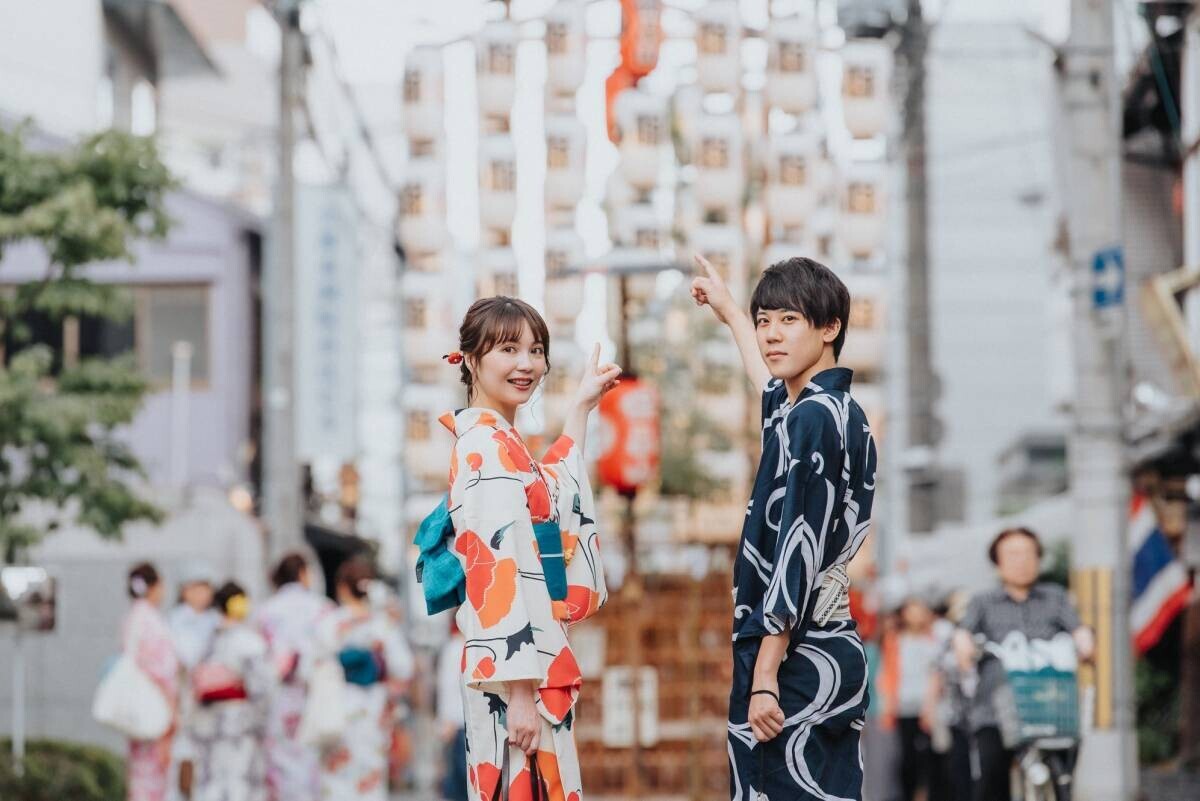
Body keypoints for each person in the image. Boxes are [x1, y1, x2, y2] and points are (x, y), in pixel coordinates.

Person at [692, 254, 878, 800]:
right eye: (764, 320)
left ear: (830, 327)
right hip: (830, 646)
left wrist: (766, 675)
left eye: (788, 320)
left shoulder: (813, 418)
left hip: (795, 654)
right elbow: (768, 387)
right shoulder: (836, 410)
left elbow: (799, 548)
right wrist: (730, 311)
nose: (771, 334)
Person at [441, 296, 616, 800]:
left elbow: (557, 491)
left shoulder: (501, 441)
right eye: (508, 349)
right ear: (470, 359)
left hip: (525, 669)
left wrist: (581, 405)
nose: (526, 364)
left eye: (536, 350)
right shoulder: (484, 446)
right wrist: (520, 690)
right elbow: (498, 563)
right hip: (518, 676)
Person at [953, 527, 1095, 801]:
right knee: (991, 781)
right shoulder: (982, 602)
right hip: (996, 709)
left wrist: (1085, 641)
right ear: (998, 562)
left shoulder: (1056, 597)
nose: (1022, 561)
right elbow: (963, 633)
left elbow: (1078, 629)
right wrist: (964, 647)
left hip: (1049, 705)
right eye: (1013, 554)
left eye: (1029, 553)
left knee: (1063, 774)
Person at [315, 558, 414, 801]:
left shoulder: (331, 623)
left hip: (337, 705)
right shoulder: (382, 625)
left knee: (336, 776)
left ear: (342, 587)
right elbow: (404, 667)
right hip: (373, 707)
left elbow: (314, 664)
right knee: (370, 777)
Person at [254, 552, 333, 801]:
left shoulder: (266, 611)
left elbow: (259, 657)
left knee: (279, 760)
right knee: (312, 757)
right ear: (302, 573)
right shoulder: (322, 608)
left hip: (277, 694)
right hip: (314, 693)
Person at [187, 581, 275, 801]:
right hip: (239, 725)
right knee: (238, 783)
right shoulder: (248, 642)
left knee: (209, 782)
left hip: (206, 723)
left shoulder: (203, 639)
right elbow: (262, 687)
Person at [123, 562, 181, 801]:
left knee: (139, 771)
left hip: (137, 703)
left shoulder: (133, 618)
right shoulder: (151, 621)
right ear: (154, 587)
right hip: (155, 704)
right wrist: (172, 709)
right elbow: (162, 671)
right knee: (154, 773)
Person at [166, 562, 220, 801]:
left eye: (206, 588)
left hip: (212, 700)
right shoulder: (175, 621)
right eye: (197, 587)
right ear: (184, 591)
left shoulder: (216, 620)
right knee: (183, 755)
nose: (203, 594)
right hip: (184, 698)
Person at [893, 596, 943, 801]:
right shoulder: (895, 640)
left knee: (929, 757)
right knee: (906, 758)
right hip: (902, 708)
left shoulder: (932, 640)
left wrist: (930, 707)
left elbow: (936, 675)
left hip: (927, 708)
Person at [436, 619, 468, 801]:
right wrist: (446, 720)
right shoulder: (456, 647)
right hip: (458, 723)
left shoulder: (455, 646)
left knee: (460, 782)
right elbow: (448, 687)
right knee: (461, 782)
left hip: (458, 723)